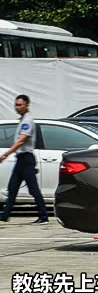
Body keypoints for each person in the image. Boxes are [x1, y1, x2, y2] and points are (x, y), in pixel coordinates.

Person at [0, 95, 49, 224]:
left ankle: (43, 215)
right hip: (21, 159)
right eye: (16, 105)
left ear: (27, 105)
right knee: (12, 187)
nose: (17, 107)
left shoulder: (27, 121)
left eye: (20, 105)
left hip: (26, 159)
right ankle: (5, 215)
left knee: (33, 189)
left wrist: (6, 154)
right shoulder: (22, 120)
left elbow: (22, 140)